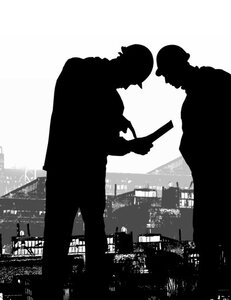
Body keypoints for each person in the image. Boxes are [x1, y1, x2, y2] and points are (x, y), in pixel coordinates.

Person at [41, 44, 154, 299]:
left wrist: (114, 121)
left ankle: (54, 292)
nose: (126, 86)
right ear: (126, 66)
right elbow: (97, 140)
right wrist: (130, 146)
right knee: (92, 237)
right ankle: (92, 292)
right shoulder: (103, 91)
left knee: (58, 238)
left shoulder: (78, 71)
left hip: (64, 169)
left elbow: (87, 128)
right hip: (83, 173)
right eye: (131, 79)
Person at [155, 44, 231, 300]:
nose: (166, 80)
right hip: (211, 178)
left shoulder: (215, 82)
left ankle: (230, 292)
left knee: (226, 235)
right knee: (211, 235)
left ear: (178, 66)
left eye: (166, 73)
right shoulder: (201, 94)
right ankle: (218, 290)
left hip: (220, 177)